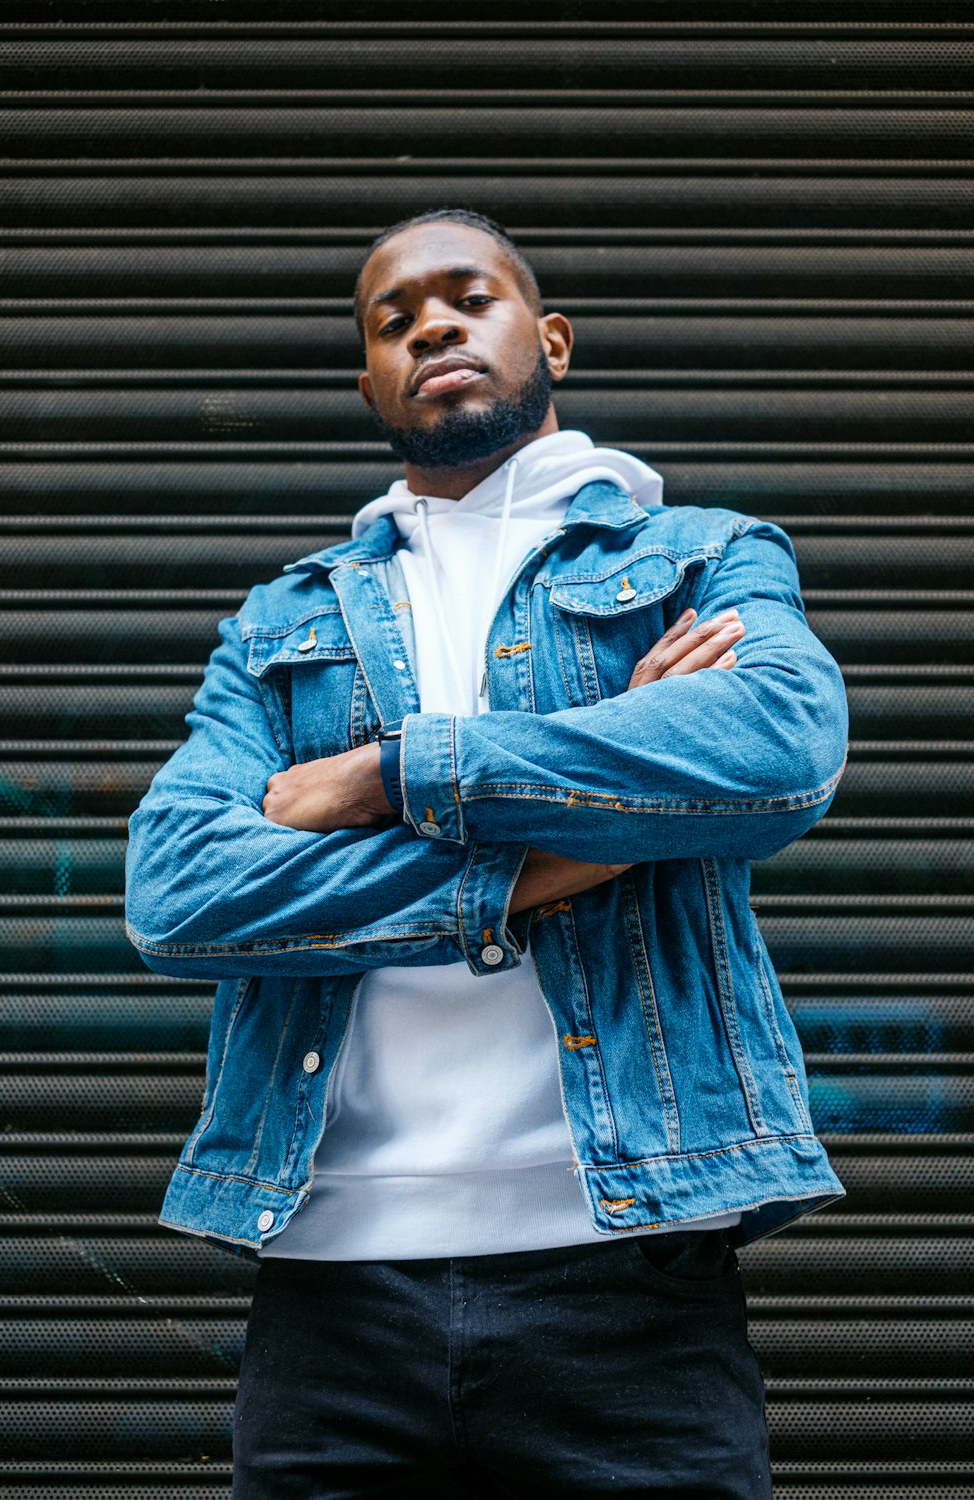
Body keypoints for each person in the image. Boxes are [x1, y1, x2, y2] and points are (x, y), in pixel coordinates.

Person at [125, 208, 849, 1498]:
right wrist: (531, 865)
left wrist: (387, 771)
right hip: (329, 1285)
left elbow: (778, 750)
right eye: (393, 321)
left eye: (468, 300)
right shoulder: (284, 616)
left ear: (550, 337)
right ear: (370, 380)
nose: (432, 328)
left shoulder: (700, 559)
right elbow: (180, 890)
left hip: (628, 1270)